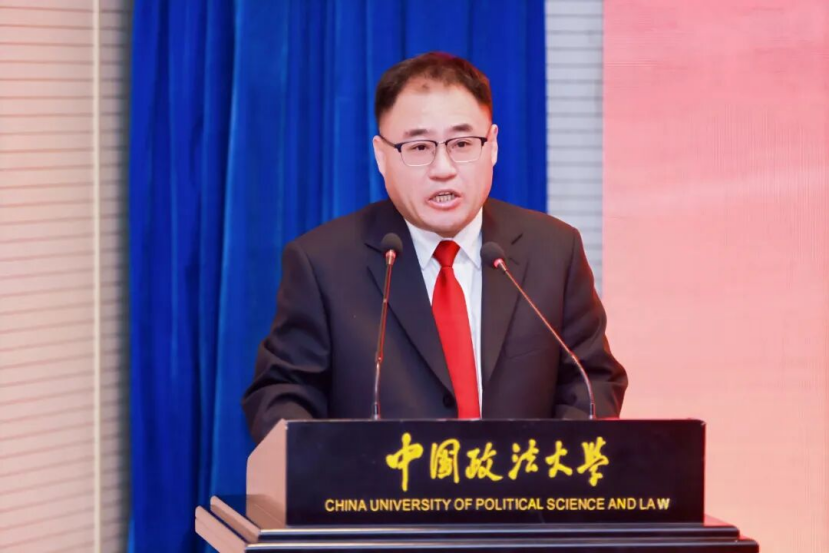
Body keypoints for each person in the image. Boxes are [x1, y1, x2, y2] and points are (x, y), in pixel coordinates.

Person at [243, 52, 627, 444]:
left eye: (462, 143)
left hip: (524, 483)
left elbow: (592, 381)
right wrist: (336, 467)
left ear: (492, 146)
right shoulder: (322, 263)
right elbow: (281, 396)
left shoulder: (554, 250)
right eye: (419, 148)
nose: (443, 168)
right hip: (380, 483)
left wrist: (551, 467)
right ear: (381, 156)